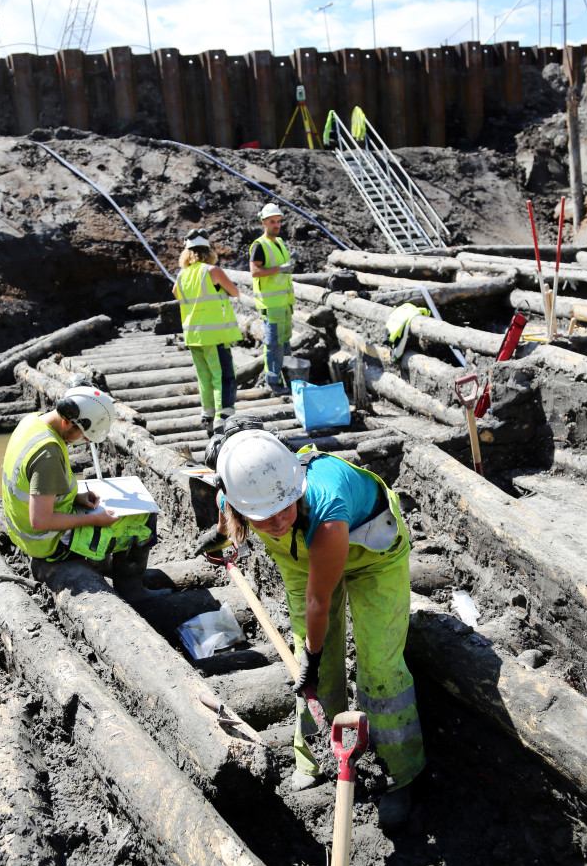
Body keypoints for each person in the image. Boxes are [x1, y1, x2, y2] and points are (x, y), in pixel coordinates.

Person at [210, 425, 425, 832]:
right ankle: (315, 754)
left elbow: (318, 602)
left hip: (372, 555)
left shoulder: (324, 508)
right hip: (300, 563)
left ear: (295, 487)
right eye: (262, 517)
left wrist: (310, 653)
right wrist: (222, 540)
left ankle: (401, 772)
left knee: (378, 667)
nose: (274, 522)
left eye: (284, 509)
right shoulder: (237, 492)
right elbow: (228, 518)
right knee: (313, 668)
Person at [1, 384, 156, 603]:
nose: (84, 441)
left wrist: (76, 497)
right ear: (67, 421)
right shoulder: (47, 453)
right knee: (145, 520)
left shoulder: (33, 422)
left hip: (22, 533)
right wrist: (94, 519)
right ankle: (132, 591)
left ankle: (106, 565)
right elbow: (40, 520)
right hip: (47, 542)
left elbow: (34, 486)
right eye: (83, 436)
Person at [172, 228, 242, 436]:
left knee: (205, 377)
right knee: (224, 377)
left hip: (193, 336)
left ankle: (208, 417)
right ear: (208, 251)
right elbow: (235, 292)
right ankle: (224, 418)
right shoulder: (212, 271)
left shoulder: (182, 276)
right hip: (214, 335)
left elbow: (175, 293)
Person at [249, 202, 295, 395]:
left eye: (278, 221)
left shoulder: (280, 242)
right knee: (273, 343)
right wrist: (280, 269)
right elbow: (255, 271)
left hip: (284, 304)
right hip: (271, 305)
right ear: (264, 223)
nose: (276, 225)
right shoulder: (260, 245)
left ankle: (287, 378)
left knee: (284, 342)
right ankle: (273, 382)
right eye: (272, 222)